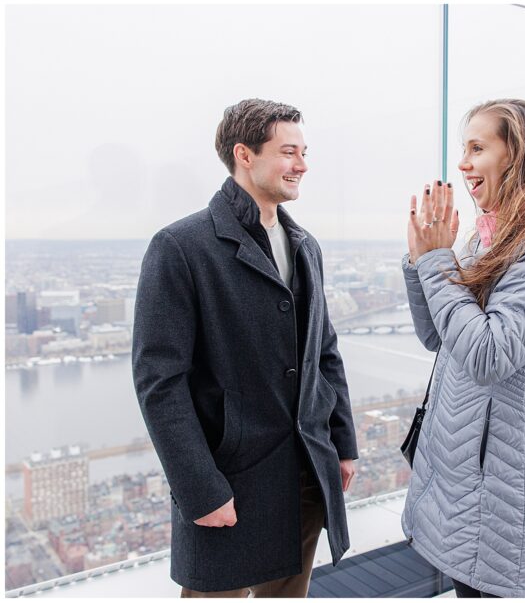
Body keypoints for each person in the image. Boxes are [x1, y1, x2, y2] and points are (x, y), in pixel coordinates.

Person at [132, 98, 358, 597]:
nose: (302, 164)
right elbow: (159, 384)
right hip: (227, 483)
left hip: (303, 476)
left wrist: (342, 443)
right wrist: (199, 490)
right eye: (288, 151)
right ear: (245, 155)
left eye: (304, 151)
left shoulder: (305, 245)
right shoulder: (179, 247)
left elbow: (325, 351)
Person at [400, 99, 525, 597]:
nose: (464, 164)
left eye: (477, 148)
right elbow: (439, 338)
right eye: (462, 150)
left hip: (505, 479)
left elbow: (490, 355)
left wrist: (437, 264)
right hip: (470, 473)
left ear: (517, 154)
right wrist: (419, 260)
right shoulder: (487, 238)